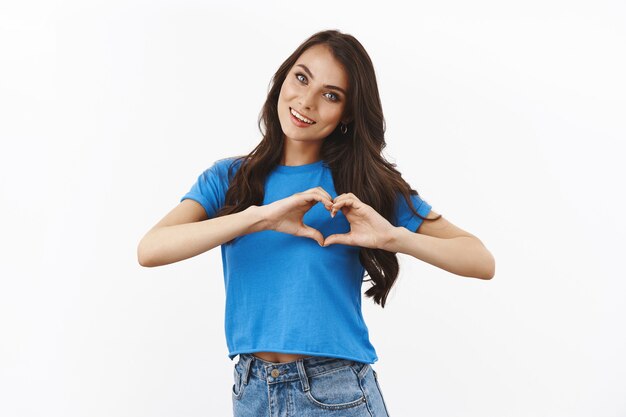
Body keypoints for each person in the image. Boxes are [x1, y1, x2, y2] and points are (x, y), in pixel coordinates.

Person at [137, 29, 495, 417]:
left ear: (347, 113)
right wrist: (258, 217)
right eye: (301, 78)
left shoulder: (361, 184)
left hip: (335, 391)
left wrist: (394, 237)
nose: (306, 101)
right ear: (283, 78)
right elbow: (151, 249)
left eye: (331, 95)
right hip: (251, 390)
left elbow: (479, 259)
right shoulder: (229, 180)